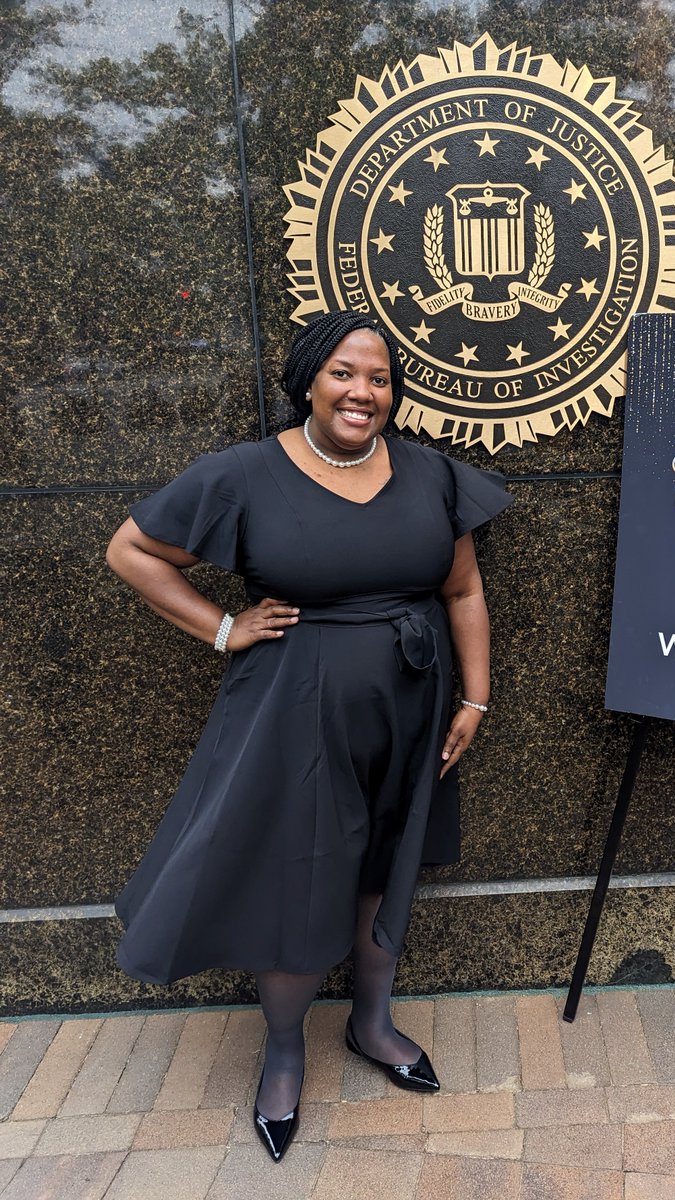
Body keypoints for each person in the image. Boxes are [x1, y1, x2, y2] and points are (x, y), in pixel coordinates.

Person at [105, 310, 512, 1162]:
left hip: (412, 707)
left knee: (383, 866)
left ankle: (371, 1024)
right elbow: (133, 550)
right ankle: (285, 1049)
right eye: (344, 374)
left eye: (380, 378)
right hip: (291, 711)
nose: (364, 392)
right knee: (298, 873)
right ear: (308, 381)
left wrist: (474, 700)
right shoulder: (246, 474)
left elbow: (463, 592)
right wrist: (223, 628)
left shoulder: (432, 475)